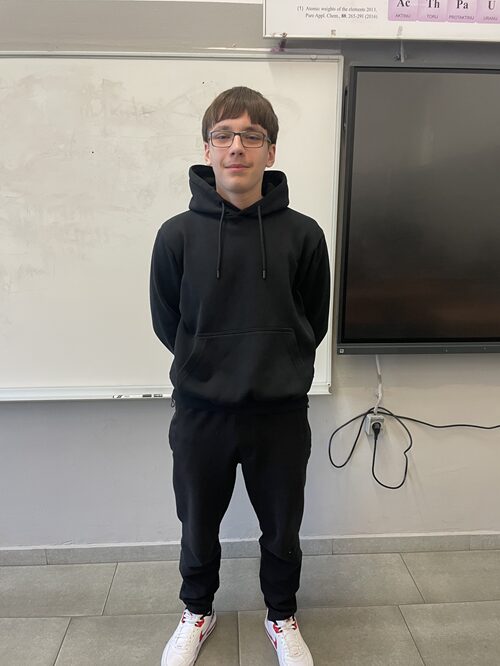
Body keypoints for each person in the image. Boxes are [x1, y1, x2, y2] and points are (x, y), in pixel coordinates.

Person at [150, 86, 330, 666]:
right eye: (224, 135)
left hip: (279, 414)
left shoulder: (304, 235)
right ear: (207, 149)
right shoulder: (176, 236)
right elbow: (169, 322)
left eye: (252, 136)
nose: (237, 147)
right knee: (197, 524)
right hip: (201, 413)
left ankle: (281, 617)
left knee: (282, 527)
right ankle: (197, 611)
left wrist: (278, 362)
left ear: (270, 151)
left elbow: (313, 319)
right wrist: (206, 361)